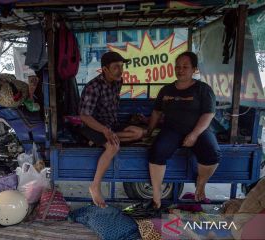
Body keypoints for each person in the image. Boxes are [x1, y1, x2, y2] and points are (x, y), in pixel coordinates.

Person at [143, 51, 221, 209]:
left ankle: (201, 184)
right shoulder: (166, 90)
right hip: (172, 129)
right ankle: (156, 198)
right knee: (157, 151)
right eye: (178, 66)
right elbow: (157, 112)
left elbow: (209, 113)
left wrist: (194, 134)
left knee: (213, 153)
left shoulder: (203, 89)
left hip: (198, 129)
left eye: (185, 66)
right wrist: (149, 131)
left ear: (194, 69)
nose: (180, 70)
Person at [79, 52, 144, 208]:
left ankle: (98, 141)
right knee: (113, 146)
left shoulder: (117, 81)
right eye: (116, 67)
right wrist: (104, 131)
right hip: (92, 125)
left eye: (122, 66)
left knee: (139, 132)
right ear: (104, 69)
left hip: (111, 124)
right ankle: (95, 186)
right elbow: (84, 116)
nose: (120, 70)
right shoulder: (93, 87)